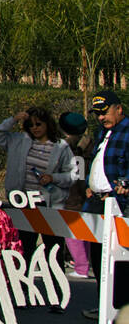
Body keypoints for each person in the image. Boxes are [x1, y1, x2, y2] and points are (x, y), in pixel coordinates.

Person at [0, 106, 73, 259]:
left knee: (54, 248)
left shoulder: (61, 146)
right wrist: (13, 119)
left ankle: (56, 281)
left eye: (38, 124)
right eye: (30, 125)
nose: (34, 128)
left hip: (48, 203)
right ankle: (23, 282)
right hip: (23, 201)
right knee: (24, 247)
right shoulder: (18, 140)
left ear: (47, 124)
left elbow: (72, 174)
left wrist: (53, 178)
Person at [83, 92, 129, 318]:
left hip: (119, 204)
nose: (101, 118)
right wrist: (89, 184)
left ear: (119, 109)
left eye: (105, 112)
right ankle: (105, 307)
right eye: (98, 114)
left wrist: (126, 182)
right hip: (97, 202)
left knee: (120, 259)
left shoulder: (128, 132)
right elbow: (96, 161)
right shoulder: (102, 133)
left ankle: (121, 310)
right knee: (99, 258)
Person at [59, 111, 94, 278]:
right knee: (84, 232)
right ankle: (84, 264)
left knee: (71, 233)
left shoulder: (66, 148)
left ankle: (81, 267)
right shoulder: (89, 145)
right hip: (84, 193)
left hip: (70, 196)